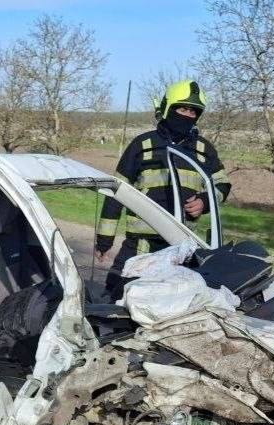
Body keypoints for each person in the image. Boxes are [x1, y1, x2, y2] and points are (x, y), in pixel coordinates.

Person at [95, 80, 232, 294]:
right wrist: (104, 241)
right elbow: (115, 192)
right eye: (182, 109)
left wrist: (205, 202)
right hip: (140, 246)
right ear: (167, 108)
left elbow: (223, 184)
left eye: (193, 111)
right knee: (116, 295)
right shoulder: (142, 145)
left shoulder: (204, 150)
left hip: (182, 247)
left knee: (175, 301)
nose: (187, 115)